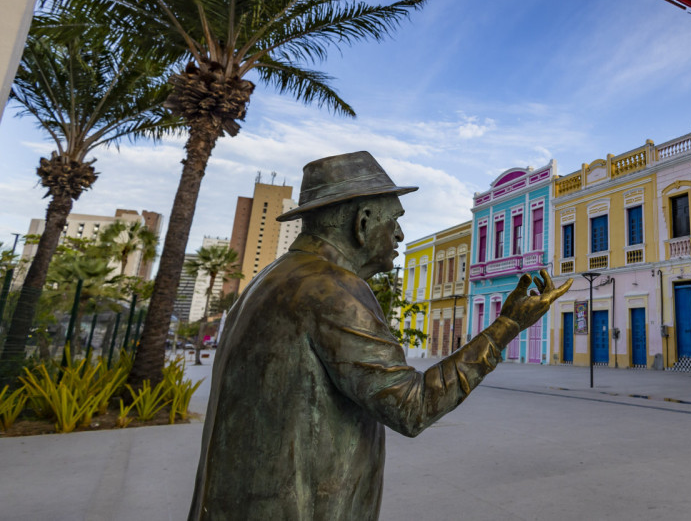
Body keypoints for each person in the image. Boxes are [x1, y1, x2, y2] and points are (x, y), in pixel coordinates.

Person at [189, 152, 571, 520]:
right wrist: (506, 327)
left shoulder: (270, 280)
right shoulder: (333, 290)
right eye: (395, 220)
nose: (401, 234)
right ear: (363, 222)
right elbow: (413, 405)